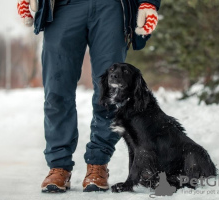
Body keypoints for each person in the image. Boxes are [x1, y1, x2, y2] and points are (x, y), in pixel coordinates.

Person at [17, 0, 160, 193]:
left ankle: (98, 163)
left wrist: (149, 3)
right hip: (63, 7)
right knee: (56, 90)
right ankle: (59, 166)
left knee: (111, 91)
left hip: (110, 7)